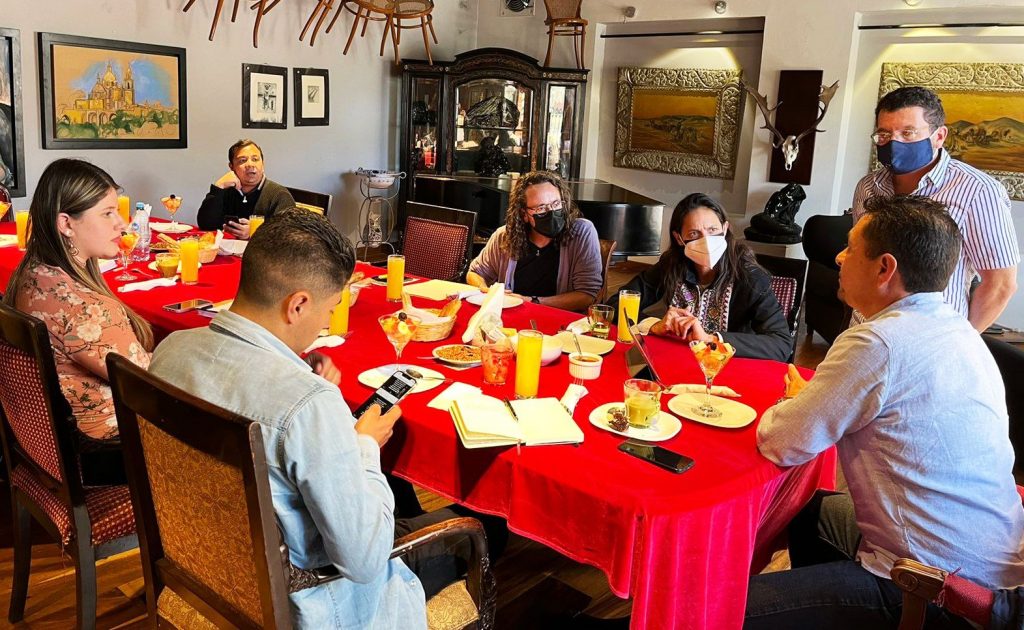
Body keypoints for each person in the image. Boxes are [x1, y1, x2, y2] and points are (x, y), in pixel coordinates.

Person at [149, 209, 470, 628]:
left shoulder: (171, 349)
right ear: (298, 304)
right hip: (308, 603)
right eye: (332, 308)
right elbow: (364, 562)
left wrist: (299, 378)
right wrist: (363, 445)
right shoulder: (307, 404)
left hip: (207, 566)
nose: (326, 323)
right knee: (476, 533)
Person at [745, 195, 1024, 629]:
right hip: (996, 568)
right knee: (805, 512)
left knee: (715, 611)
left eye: (851, 247)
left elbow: (782, 442)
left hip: (938, 591)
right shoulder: (960, 329)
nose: (839, 256)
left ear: (884, 268)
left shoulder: (878, 342)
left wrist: (791, 404)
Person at [3, 158, 153, 485]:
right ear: (66, 224)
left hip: (47, 445)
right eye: (108, 213)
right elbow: (150, 385)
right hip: (107, 452)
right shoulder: (85, 308)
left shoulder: (32, 273)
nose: (123, 224)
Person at [853, 86, 1019, 332]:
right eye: (884, 134)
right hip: (865, 330)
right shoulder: (868, 187)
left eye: (908, 133)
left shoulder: (979, 191)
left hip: (931, 336)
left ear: (939, 136)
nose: (895, 142)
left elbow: (1001, 283)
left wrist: (957, 341)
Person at [609, 193, 792, 361]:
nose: (706, 240)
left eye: (712, 230)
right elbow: (617, 304)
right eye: (694, 234)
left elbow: (781, 343)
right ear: (679, 238)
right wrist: (654, 325)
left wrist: (712, 339)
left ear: (725, 228)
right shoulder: (671, 265)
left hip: (728, 368)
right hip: (676, 362)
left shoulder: (749, 276)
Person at [466, 170, 602, 312]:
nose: (551, 212)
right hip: (512, 317)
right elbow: (475, 273)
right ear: (524, 214)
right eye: (541, 208)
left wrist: (533, 302)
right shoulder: (505, 236)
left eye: (556, 203)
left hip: (560, 321)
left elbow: (587, 296)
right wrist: (487, 291)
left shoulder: (581, 232)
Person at [196, 139, 294, 238]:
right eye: (242, 160)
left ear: (263, 164)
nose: (250, 165)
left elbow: (289, 235)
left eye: (255, 159)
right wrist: (218, 188)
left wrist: (255, 232)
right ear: (231, 167)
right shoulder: (226, 191)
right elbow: (206, 225)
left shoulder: (279, 195)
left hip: (261, 248)